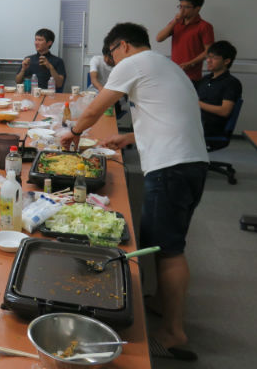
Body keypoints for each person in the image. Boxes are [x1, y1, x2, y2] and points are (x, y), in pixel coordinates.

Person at [60, 23, 208, 361]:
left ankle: (173, 333)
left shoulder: (134, 63)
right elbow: (169, 118)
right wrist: (129, 138)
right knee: (165, 241)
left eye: (111, 55)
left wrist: (73, 132)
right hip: (190, 164)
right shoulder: (166, 65)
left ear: (122, 45)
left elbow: (96, 108)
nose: (112, 62)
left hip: (170, 168)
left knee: (168, 249)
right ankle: (163, 302)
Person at [156, 0, 214, 83]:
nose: (182, 10)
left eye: (186, 7)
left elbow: (209, 51)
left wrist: (190, 63)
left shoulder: (205, 26)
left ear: (197, 8)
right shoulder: (176, 23)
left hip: (192, 76)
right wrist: (174, 21)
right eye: (180, 6)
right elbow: (159, 38)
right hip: (174, 73)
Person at [196, 40, 242, 138]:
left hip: (211, 128)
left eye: (214, 58)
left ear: (226, 61)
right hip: (197, 121)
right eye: (208, 57)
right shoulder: (205, 79)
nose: (208, 60)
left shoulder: (231, 83)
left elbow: (224, 111)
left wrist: (197, 103)